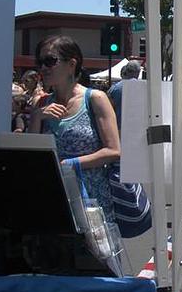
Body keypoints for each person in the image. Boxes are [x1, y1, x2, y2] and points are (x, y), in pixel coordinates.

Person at [29, 35, 120, 220]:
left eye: (50, 61)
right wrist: (37, 116)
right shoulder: (41, 103)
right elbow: (31, 153)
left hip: (91, 203)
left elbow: (114, 150)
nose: (43, 68)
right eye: (40, 62)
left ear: (71, 64)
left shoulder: (95, 99)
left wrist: (71, 164)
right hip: (54, 199)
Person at [106, 59, 142, 131]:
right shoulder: (143, 88)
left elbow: (108, 110)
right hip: (138, 128)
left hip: (119, 127)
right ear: (138, 72)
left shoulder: (115, 88)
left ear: (126, 70)